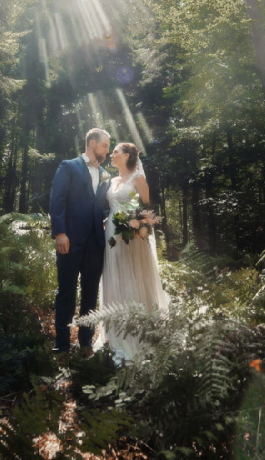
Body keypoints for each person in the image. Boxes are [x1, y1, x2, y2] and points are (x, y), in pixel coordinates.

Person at [97, 142, 169, 363]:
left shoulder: (138, 179)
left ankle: (137, 336)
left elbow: (148, 211)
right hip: (112, 236)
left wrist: (139, 226)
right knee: (114, 278)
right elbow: (109, 208)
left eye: (115, 151)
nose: (111, 154)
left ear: (127, 155)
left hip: (133, 239)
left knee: (132, 278)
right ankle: (114, 337)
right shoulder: (112, 181)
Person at [49, 128, 112, 355]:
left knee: (90, 293)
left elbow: (105, 206)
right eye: (105, 145)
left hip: (96, 242)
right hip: (70, 240)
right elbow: (57, 200)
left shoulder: (106, 175)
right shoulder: (69, 166)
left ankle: (86, 343)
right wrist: (60, 233)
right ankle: (62, 346)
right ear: (92, 143)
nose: (107, 150)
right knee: (66, 292)